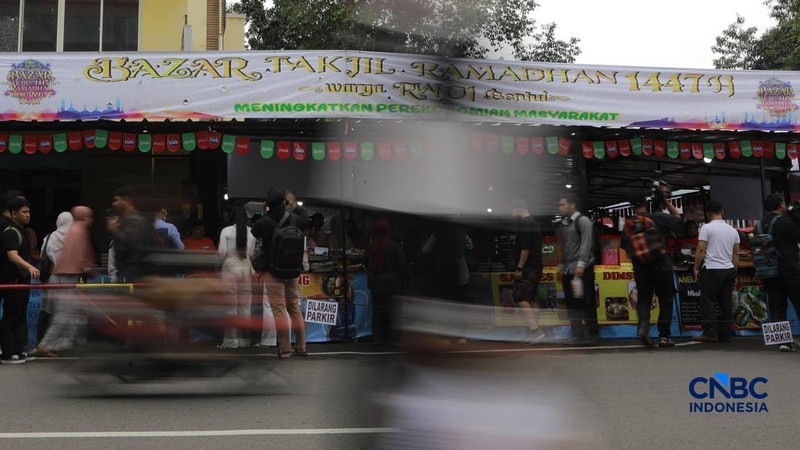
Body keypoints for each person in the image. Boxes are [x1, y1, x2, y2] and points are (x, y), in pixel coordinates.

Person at [252, 188, 308, 358]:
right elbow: (306, 223)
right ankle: (301, 346)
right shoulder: (295, 219)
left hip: (273, 271)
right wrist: (294, 204)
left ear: (267, 204)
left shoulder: (263, 222)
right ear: (284, 202)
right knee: (294, 308)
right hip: (292, 270)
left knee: (279, 309)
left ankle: (285, 349)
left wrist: (264, 211)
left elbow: (255, 232)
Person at [35, 206, 95, 357]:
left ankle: (62, 344)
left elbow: (47, 255)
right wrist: (89, 269)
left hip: (54, 277)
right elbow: (83, 258)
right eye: (89, 216)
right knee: (65, 314)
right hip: (68, 277)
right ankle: (46, 344)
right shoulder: (78, 231)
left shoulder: (51, 237)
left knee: (63, 313)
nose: (91, 220)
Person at [624, 193, 682, 347]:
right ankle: (664, 336)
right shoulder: (658, 217)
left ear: (633, 207)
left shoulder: (629, 223)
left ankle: (644, 326)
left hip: (641, 268)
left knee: (644, 299)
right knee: (666, 300)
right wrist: (665, 200)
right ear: (646, 203)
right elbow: (678, 217)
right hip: (662, 266)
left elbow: (626, 248)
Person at [692, 201, 739, 343]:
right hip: (728, 269)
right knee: (726, 302)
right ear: (722, 212)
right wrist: (734, 271)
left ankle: (710, 333)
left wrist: (696, 267)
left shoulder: (706, 228)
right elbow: (736, 254)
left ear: (708, 214)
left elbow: (701, 249)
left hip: (712, 269)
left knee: (708, 301)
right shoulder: (733, 230)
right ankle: (725, 333)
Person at [0, 197, 40, 364]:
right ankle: (7, 353)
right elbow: (12, 256)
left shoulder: (22, 231)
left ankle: (19, 350)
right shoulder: (10, 232)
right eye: (24, 212)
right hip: (13, 281)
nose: (28, 214)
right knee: (11, 316)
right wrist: (30, 267)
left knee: (20, 316)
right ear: (14, 214)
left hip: (21, 281)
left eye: (29, 211)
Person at [758, 194, 800, 352]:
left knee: (777, 306)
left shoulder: (760, 224)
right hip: (789, 268)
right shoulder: (786, 221)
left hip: (768, 269)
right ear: (781, 204)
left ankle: (783, 341)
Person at [557, 195, 598, 344]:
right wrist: (561, 267)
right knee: (572, 303)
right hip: (569, 270)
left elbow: (586, 244)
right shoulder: (564, 224)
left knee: (586, 302)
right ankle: (577, 335)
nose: (560, 207)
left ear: (572, 205)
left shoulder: (583, 221)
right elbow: (563, 247)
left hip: (583, 269)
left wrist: (581, 264)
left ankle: (592, 335)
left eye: (563, 204)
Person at [217, 203, 256, 349]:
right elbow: (250, 254)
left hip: (230, 269)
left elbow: (222, 253)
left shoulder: (226, 231)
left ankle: (230, 342)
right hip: (245, 269)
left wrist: (217, 267)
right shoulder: (251, 233)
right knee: (245, 308)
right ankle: (244, 341)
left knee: (230, 307)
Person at [366, 219, 409, 345]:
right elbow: (402, 265)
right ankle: (394, 338)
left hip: (375, 283)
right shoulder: (395, 245)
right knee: (394, 311)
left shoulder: (371, 246)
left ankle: (378, 338)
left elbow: (365, 261)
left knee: (378, 311)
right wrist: (406, 279)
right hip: (392, 284)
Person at [510, 200, 546, 344]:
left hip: (528, 266)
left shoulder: (525, 224)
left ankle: (535, 331)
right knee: (532, 298)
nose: (512, 213)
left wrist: (519, 268)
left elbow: (525, 250)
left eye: (513, 210)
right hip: (536, 265)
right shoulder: (534, 223)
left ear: (519, 209)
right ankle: (534, 332)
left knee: (520, 297)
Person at [37, 211, 73, 342]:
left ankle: (41, 341)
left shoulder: (49, 237)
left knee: (47, 309)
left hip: (51, 279)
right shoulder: (74, 239)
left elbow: (43, 257)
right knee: (64, 311)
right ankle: (59, 342)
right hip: (69, 279)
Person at [107, 186, 153, 281]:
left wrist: (115, 230)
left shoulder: (134, 219)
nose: (114, 204)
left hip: (131, 269)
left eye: (117, 200)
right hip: (127, 268)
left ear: (126, 200)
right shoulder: (127, 218)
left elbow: (131, 241)